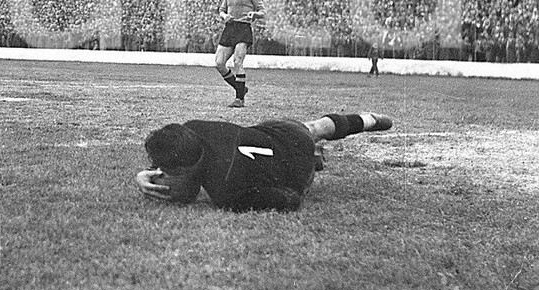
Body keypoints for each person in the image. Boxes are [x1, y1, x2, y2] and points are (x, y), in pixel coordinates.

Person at [135, 112, 393, 212]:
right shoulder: (192, 127)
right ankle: (368, 119)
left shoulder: (227, 194)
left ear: (184, 169)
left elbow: (289, 200)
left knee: (297, 164)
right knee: (317, 127)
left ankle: (314, 158)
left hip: (296, 170)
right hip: (283, 134)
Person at [214, 0, 264, 107]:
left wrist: (254, 14)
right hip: (229, 28)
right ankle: (240, 88)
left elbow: (263, 12)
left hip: (243, 28)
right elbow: (221, 10)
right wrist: (224, 16)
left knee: (237, 62)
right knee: (219, 63)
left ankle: (239, 99)